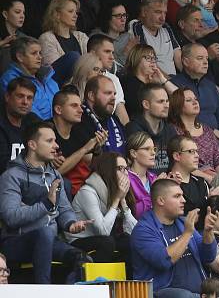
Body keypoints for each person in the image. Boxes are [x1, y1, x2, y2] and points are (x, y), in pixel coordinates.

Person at [0, 121, 92, 284]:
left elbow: (64, 209)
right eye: (49, 141)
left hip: (49, 241)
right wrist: (46, 204)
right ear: (32, 145)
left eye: (55, 140)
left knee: (83, 260)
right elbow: (11, 217)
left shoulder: (54, 175)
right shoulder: (11, 175)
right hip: (17, 241)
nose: (56, 146)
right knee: (45, 232)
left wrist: (71, 224)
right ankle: (44, 290)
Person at [130, 178, 219, 297]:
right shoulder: (143, 230)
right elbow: (163, 260)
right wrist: (187, 234)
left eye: (182, 196)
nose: (183, 200)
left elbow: (208, 257)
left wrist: (208, 232)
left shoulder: (182, 223)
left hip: (200, 292)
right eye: (177, 196)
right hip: (161, 292)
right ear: (161, 200)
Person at [67, 152, 137, 263]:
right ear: (108, 169)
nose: (125, 173)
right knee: (107, 242)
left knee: (129, 241)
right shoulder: (88, 191)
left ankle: (126, 278)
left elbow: (135, 232)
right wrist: (116, 200)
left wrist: (123, 201)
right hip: (78, 240)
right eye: (120, 168)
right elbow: (103, 231)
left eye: (126, 169)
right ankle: (97, 280)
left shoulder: (115, 190)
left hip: (103, 238)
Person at [170, 43, 219, 139]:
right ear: (186, 62)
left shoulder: (211, 85)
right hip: (190, 139)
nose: (205, 62)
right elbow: (179, 119)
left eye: (206, 58)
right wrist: (212, 131)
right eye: (200, 58)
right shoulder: (174, 85)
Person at [170, 88, 219, 180]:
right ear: (178, 105)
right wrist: (208, 178)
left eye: (196, 99)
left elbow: (218, 160)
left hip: (214, 177)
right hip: (190, 180)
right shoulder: (173, 131)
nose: (195, 102)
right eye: (188, 100)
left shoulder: (207, 129)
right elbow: (181, 165)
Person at [1, 37, 59, 120]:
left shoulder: (49, 78)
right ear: (20, 57)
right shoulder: (10, 79)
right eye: (34, 53)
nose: (40, 57)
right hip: (36, 129)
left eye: (40, 53)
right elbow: (29, 113)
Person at [125, 84, 177, 174]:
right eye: (160, 102)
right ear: (146, 104)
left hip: (167, 181)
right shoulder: (133, 129)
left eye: (167, 101)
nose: (166, 105)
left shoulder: (169, 129)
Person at [38, 0, 88, 83]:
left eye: (76, 12)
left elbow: (91, 62)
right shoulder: (46, 38)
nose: (75, 15)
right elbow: (51, 70)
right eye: (70, 11)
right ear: (57, 14)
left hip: (82, 83)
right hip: (59, 85)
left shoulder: (81, 36)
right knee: (73, 57)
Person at [130, 0, 183, 76]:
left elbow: (178, 56)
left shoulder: (166, 27)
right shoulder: (137, 26)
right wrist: (169, 81)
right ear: (144, 12)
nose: (162, 18)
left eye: (165, 13)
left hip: (173, 81)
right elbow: (149, 64)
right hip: (154, 82)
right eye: (158, 12)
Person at [166, 136, 219, 215]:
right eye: (191, 151)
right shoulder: (165, 184)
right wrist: (210, 199)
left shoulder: (202, 183)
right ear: (177, 156)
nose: (197, 155)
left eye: (196, 151)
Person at [0, 77, 40, 173]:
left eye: (29, 98)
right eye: (20, 96)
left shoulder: (33, 120)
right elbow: (3, 166)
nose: (25, 102)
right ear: (7, 97)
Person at [125, 131, 159, 218]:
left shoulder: (154, 178)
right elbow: (133, 213)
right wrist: (155, 191)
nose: (153, 153)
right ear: (133, 153)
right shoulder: (124, 178)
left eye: (154, 149)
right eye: (147, 149)